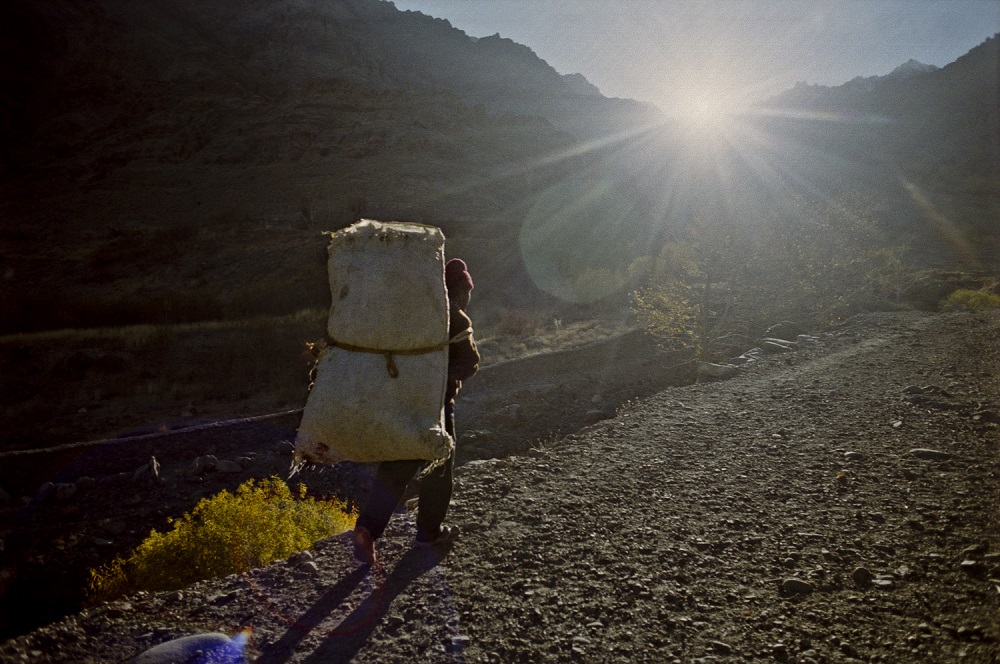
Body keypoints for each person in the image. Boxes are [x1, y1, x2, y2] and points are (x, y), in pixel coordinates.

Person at [351, 258, 480, 565]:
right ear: (459, 289)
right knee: (440, 472)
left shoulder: (408, 315)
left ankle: (366, 532)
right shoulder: (456, 319)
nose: (465, 297)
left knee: (395, 472)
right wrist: (447, 377)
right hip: (436, 408)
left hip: (402, 405)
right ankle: (428, 533)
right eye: (465, 290)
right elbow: (471, 363)